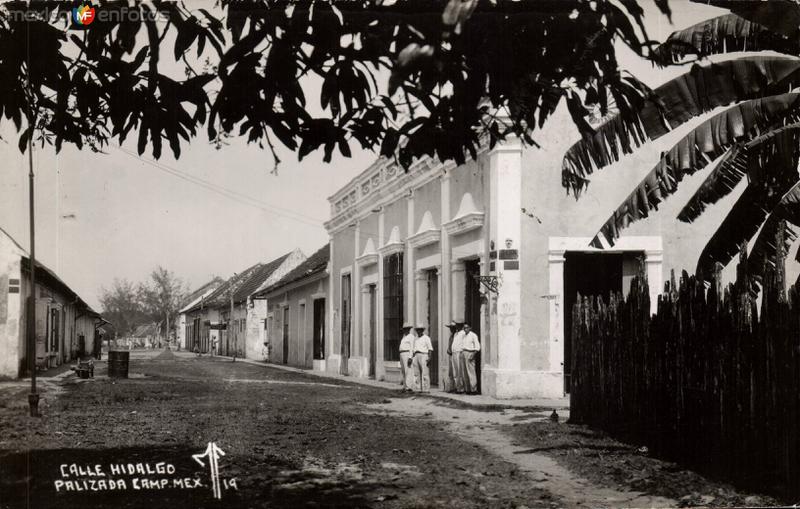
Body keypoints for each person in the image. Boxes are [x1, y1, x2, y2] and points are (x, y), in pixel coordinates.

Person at [460, 323, 481, 394]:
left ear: (470, 328)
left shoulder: (473, 335)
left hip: (470, 353)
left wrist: (473, 355)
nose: (465, 329)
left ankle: (473, 389)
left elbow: (477, 347)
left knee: (471, 372)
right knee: (464, 372)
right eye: (464, 328)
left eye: (467, 328)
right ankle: (467, 389)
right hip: (463, 353)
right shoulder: (463, 336)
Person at [412, 324, 433, 393]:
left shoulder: (426, 338)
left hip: (424, 355)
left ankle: (426, 389)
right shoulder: (415, 338)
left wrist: (429, 357)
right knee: (416, 373)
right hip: (416, 355)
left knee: (425, 373)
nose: (419, 331)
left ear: (422, 330)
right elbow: (413, 348)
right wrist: (413, 356)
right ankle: (418, 388)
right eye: (417, 330)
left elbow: (430, 348)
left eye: (420, 330)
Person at [398, 323, 415, 392]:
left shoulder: (411, 336)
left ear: (409, 329)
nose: (405, 330)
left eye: (407, 329)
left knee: (408, 370)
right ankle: (405, 386)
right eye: (404, 329)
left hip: (407, 353)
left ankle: (409, 387)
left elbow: (412, 347)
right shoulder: (404, 337)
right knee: (404, 371)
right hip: (402, 353)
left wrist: (410, 357)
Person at [451, 322, 465, 393]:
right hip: (454, 352)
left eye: (458, 325)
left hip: (459, 352)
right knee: (455, 371)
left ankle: (461, 388)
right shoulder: (456, 334)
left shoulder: (463, 333)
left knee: (460, 371)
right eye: (457, 325)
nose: (457, 327)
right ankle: (457, 387)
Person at [445, 321, 458, 392]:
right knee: (451, 371)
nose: (451, 329)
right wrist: (448, 349)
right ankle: (451, 387)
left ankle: (457, 387)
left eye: (452, 328)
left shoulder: (457, 335)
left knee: (456, 371)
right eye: (450, 328)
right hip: (450, 355)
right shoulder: (451, 336)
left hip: (455, 354)